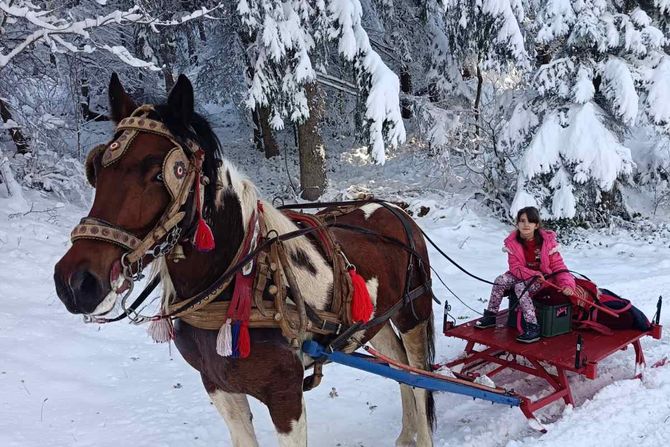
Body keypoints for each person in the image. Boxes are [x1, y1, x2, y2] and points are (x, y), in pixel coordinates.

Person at [475, 206, 576, 343]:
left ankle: (533, 327)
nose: (526, 224)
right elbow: (515, 268)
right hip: (522, 275)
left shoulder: (548, 244)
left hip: (542, 280)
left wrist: (567, 284)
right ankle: (491, 316)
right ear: (517, 224)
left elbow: (559, 267)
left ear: (537, 225)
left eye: (530, 221)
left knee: (520, 287)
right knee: (500, 280)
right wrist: (534, 273)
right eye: (522, 221)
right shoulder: (512, 243)